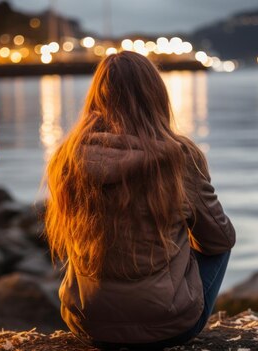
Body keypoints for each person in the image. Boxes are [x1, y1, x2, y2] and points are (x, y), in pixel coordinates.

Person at [44, 50, 236, 350]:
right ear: (156, 96)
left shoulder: (68, 157)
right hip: (169, 327)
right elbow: (219, 240)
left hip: (88, 325)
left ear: (96, 97)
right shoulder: (179, 157)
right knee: (217, 243)